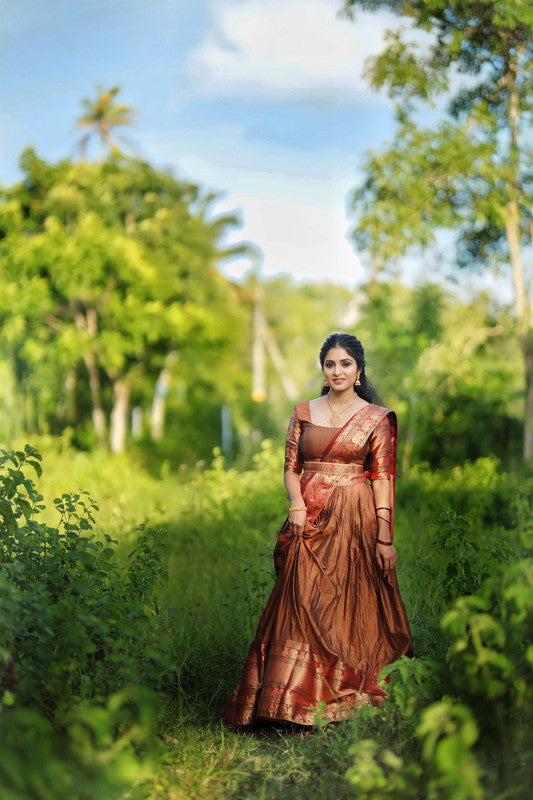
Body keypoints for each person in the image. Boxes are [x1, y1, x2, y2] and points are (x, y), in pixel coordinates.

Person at [221, 333, 412, 727]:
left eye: (345, 364)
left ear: (359, 371)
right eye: (330, 364)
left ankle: (341, 694)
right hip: (309, 517)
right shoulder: (304, 411)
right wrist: (297, 503)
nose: (337, 370)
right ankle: (286, 703)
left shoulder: (376, 418)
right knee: (301, 598)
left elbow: (382, 479)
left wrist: (384, 537)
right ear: (323, 370)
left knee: (346, 603)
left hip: (355, 521)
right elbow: (291, 468)